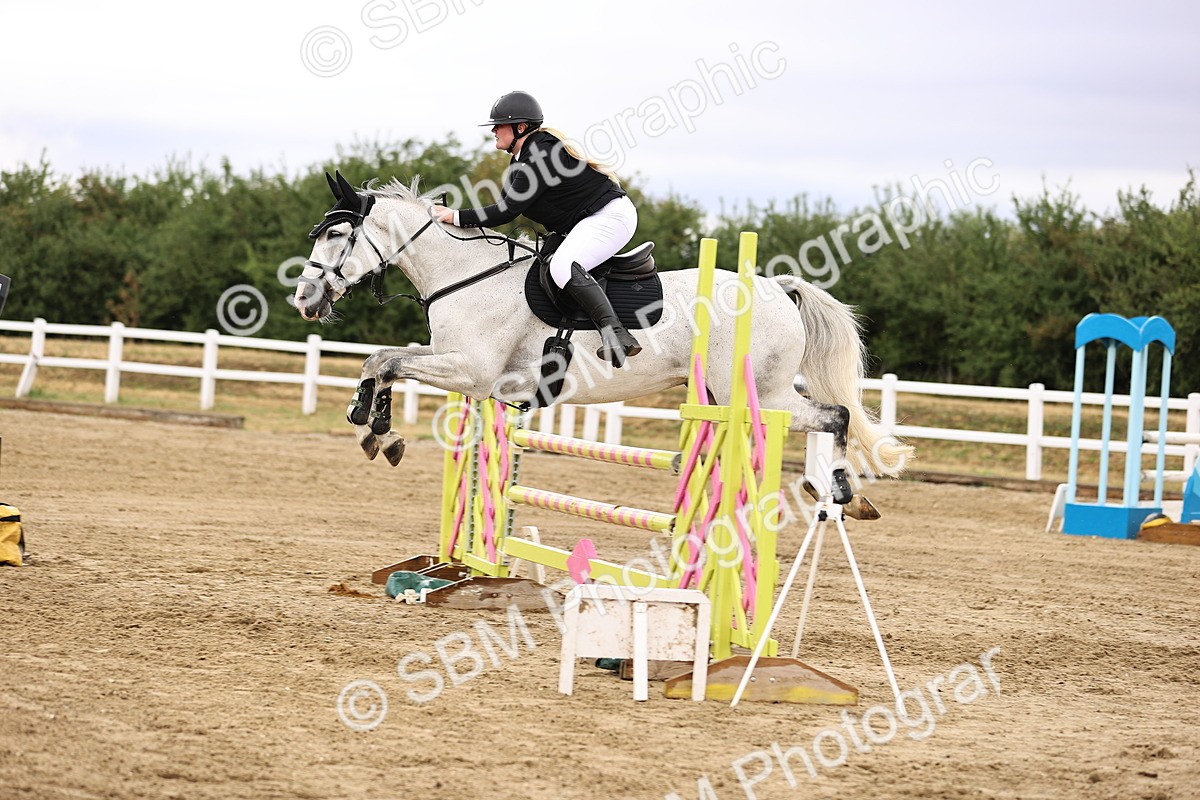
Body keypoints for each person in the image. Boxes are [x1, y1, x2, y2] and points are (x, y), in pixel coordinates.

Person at [432, 91, 642, 367]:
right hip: (589, 219)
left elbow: (505, 211)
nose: (494, 130)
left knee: (563, 267)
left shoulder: (539, 155)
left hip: (610, 217)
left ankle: (616, 333)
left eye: (499, 125)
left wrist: (455, 216)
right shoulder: (523, 158)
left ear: (520, 127)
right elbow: (505, 205)